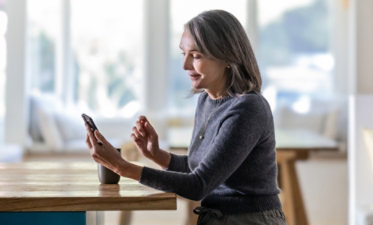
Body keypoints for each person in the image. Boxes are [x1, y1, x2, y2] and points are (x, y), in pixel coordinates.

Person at [85, 9, 287, 225]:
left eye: (196, 56)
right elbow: (199, 168)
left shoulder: (248, 109)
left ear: (228, 57)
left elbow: (198, 184)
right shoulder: (206, 101)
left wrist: (122, 167)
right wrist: (156, 154)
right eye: (184, 54)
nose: (185, 66)